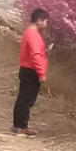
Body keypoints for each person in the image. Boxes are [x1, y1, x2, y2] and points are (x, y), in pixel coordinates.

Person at [13, 8, 49, 136]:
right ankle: (22, 127)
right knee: (27, 100)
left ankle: (17, 125)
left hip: (26, 69)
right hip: (31, 71)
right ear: (39, 21)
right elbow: (35, 55)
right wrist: (41, 73)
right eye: (45, 22)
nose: (46, 25)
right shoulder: (33, 35)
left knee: (22, 98)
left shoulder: (29, 32)